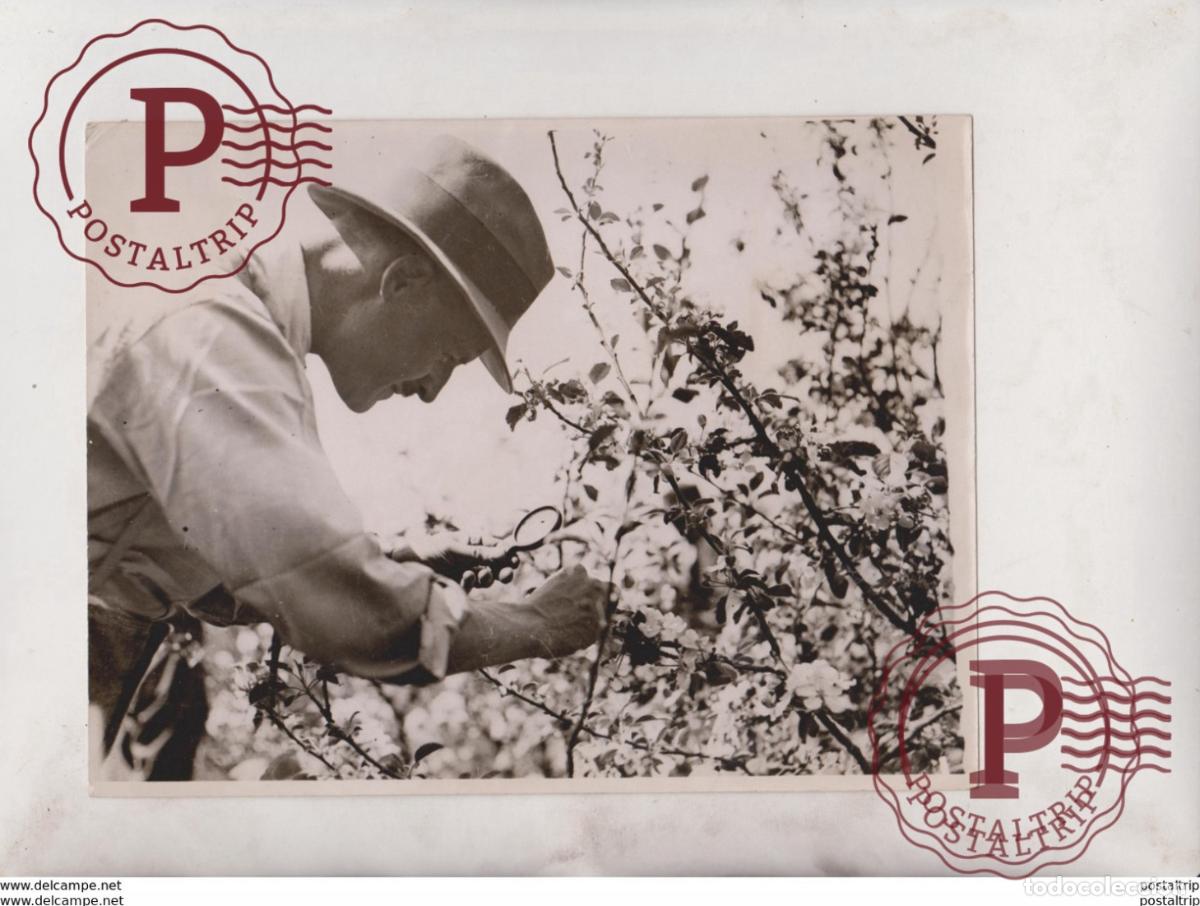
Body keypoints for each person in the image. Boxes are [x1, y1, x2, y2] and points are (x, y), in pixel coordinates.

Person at [86, 135, 608, 780]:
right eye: (450, 354)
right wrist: (535, 623)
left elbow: (218, 566)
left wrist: (394, 558)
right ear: (404, 280)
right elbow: (346, 614)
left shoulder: (228, 317)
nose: (431, 390)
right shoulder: (215, 333)